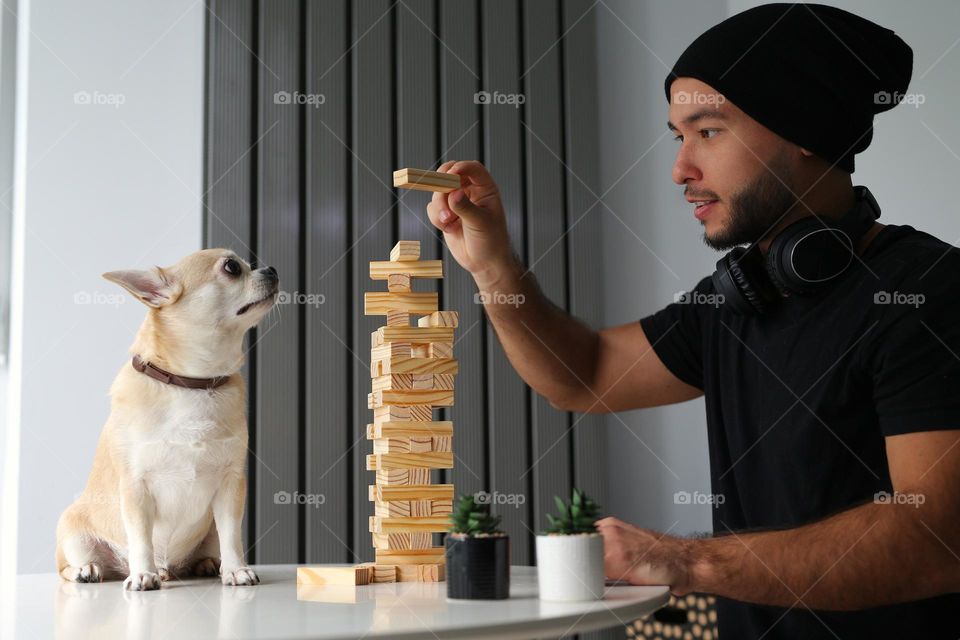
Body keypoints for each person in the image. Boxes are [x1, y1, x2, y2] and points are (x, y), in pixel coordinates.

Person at [425, 3, 960, 638]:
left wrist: (682, 560)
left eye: (708, 131)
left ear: (806, 133)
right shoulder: (738, 297)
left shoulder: (931, 292)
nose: (681, 169)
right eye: (678, 136)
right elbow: (586, 376)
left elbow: (936, 537)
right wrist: (491, 266)